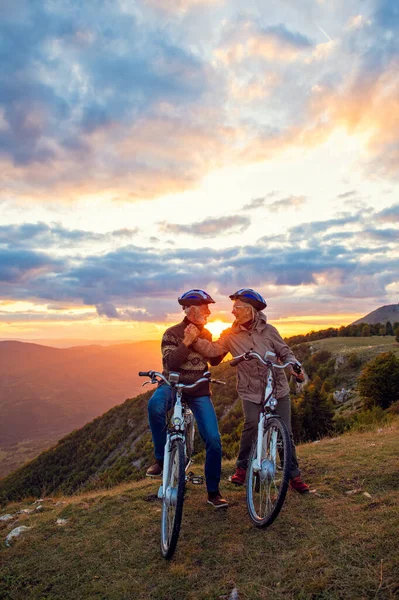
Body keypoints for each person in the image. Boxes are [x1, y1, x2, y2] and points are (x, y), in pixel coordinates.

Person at [186, 288, 309, 494]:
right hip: (250, 391)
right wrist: (195, 339)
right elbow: (214, 351)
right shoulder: (230, 334)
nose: (233, 312)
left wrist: (294, 367)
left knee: (284, 432)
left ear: (250, 310)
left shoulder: (269, 331)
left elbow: (285, 352)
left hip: (277, 389)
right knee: (251, 424)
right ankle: (242, 467)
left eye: (237, 308)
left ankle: (292, 474)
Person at [146, 289, 228, 508]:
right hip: (172, 385)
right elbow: (170, 363)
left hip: (198, 388)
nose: (209, 312)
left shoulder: (207, 334)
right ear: (192, 310)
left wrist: (226, 343)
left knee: (213, 439)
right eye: (205, 307)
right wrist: (187, 342)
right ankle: (161, 459)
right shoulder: (171, 333)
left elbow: (215, 362)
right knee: (155, 406)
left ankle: (213, 491)